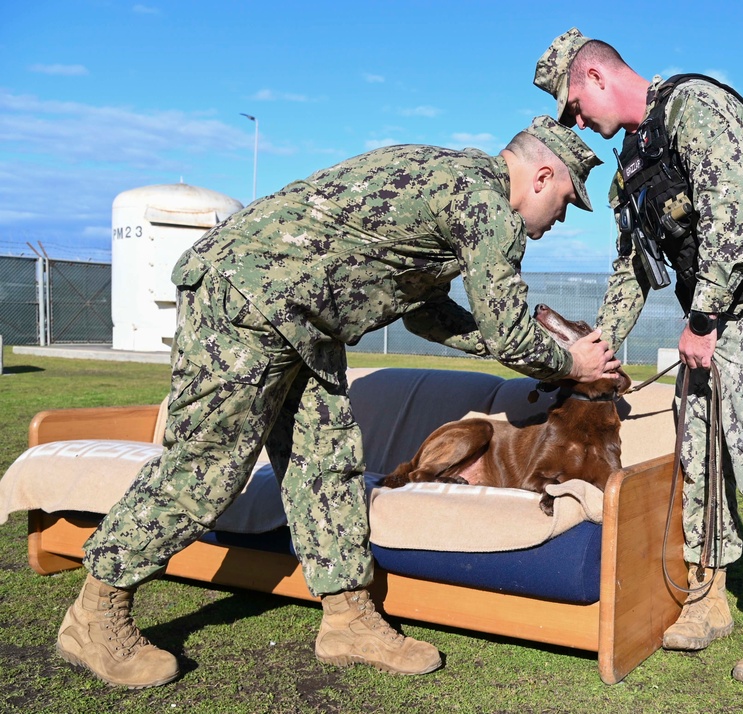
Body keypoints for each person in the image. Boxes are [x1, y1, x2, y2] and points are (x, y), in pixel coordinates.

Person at [56, 115, 617, 688]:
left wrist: (536, 349)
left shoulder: (449, 177)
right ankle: (96, 613)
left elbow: (429, 315)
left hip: (303, 321)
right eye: (568, 203)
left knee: (327, 464)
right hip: (252, 296)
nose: (560, 220)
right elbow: (506, 331)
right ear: (544, 175)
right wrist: (573, 363)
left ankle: (348, 617)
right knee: (208, 466)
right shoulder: (484, 201)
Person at [535, 29, 743, 686]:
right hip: (713, 326)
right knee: (699, 456)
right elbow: (630, 271)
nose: (578, 120)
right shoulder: (631, 169)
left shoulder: (694, 106)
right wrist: (601, 348)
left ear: (597, 77)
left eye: (575, 104)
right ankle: (709, 593)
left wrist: (702, 318)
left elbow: (734, 210)